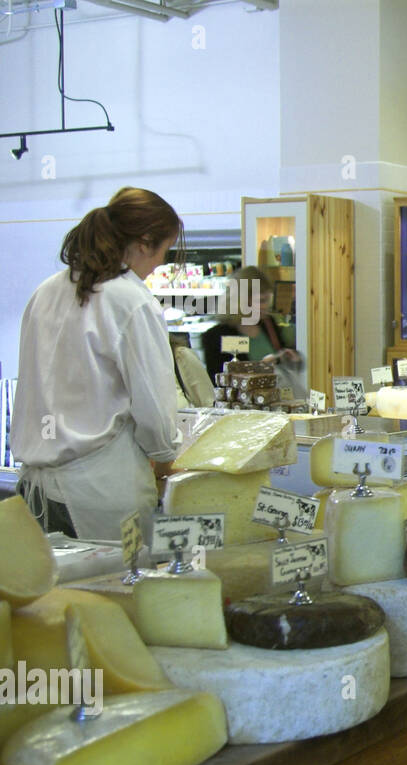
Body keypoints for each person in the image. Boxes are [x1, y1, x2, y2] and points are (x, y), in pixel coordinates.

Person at [12, 187, 184, 541]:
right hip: (103, 493)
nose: (160, 265)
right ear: (143, 242)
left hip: (35, 490)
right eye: (164, 251)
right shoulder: (131, 300)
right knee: (117, 591)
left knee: (54, 596)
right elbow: (153, 409)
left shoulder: (46, 291)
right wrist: (167, 461)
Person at [200, 265, 303, 395]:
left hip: (275, 408)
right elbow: (220, 385)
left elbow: (283, 360)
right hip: (243, 413)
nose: (266, 306)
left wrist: (291, 358)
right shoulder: (216, 337)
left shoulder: (268, 324)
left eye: (267, 300)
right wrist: (258, 370)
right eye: (261, 301)